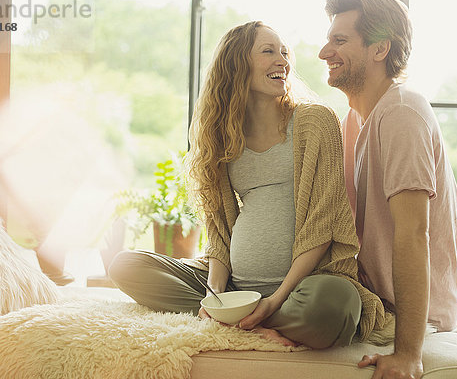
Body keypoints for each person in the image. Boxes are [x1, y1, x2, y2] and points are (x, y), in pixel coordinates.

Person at [108, 21, 390, 349]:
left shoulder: (315, 121)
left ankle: (249, 319)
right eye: (268, 51)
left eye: (285, 53)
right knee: (126, 266)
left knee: (334, 307)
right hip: (235, 287)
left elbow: (322, 227)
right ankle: (233, 316)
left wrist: (275, 300)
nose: (282, 61)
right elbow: (218, 233)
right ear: (236, 64)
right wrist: (215, 295)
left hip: (305, 286)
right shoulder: (222, 136)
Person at [318, 0, 457, 379]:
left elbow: (414, 232)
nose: (323, 52)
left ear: (379, 48)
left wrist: (407, 354)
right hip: (375, 296)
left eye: (340, 41)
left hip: (411, 315)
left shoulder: (401, 111)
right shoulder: (355, 120)